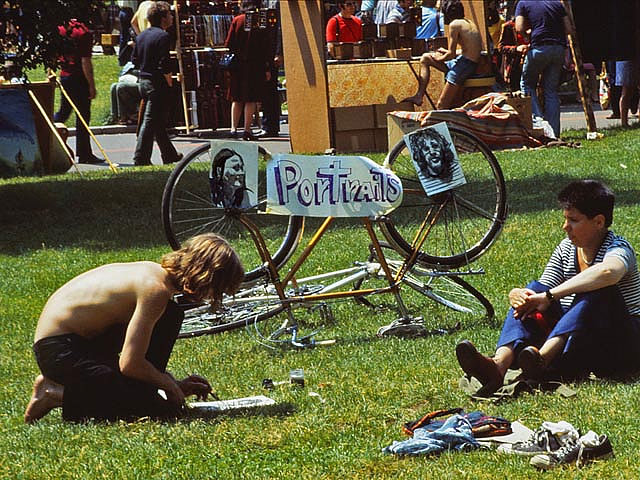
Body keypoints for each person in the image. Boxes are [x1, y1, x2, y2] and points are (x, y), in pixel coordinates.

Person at [24, 233, 245, 423]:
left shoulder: (156, 275)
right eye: (213, 291)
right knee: (152, 409)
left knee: (171, 316)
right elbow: (130, 364)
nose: (209, 298)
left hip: (78, 343)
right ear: (203, 277)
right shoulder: (155, 290)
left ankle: (134, 391)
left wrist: (172, 384)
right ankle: (54, 393)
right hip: (60, 351)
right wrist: (168, 385)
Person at [456, 180, 640, 393]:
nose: (565, 227)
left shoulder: (619, 248)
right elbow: (542, 292)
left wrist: (550, 295)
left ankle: (542, 360)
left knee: (600, 289)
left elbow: (608, 272)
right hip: (579, 340)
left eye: (573, 220)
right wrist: (519, 295)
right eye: (565, 219)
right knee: (532, 289)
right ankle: (498, 365)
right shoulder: (566, 248)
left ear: (599, 222)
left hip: (621, 345)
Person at [403, 0, 482, 109]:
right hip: (465, 61)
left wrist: (440, 58)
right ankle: (419, 95)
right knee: (425, 58)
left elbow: (451, 55)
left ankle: (442, 123)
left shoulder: (455, 25)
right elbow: (468, 50)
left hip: (464, 65)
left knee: (441, 105)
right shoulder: (468, 22)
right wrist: (445, 53)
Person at [132, 1, 182, 165]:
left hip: (143, 81)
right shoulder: (163, 36)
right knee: (149, 121)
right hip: (156, 83)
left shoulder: (142, 35)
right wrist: (169, 79)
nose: (171, 17)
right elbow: (165, 63)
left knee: (157, 121)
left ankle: (169, 154)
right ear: (162, 18)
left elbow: (134, 59)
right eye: (169, 14)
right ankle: (141, 158)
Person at [516, 0, 572, 138]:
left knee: (527, 84)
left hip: (539, 48)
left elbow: (519, 27)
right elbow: (569, 29)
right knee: (551, 90)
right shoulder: (557, 3)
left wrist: (528, 33)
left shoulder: (523, 3)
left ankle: (540, 126)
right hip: (558, 49)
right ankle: (554, 133)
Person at [53, 19, 103, 165]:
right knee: (83, 116)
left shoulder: (61, 27)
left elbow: (54, 53)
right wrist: (91, 85)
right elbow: (85, 61)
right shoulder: (83, 32)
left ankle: (48, 129)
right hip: (79, 78)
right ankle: (84, 153)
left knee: (64, 111)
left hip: (65, 75)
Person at [225, 1, 272, 141]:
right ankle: (247, 129)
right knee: (251, 99)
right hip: (255, 66)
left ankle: (233, 128)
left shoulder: (237, 20)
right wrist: (267, 68)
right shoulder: (259, 21)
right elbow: (265, 47)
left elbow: (229, 43)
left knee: (237, 97)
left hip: (238, 66)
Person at [260, 0, 282, 138]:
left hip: (272, 51)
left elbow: (279, 28)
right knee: (269, 90)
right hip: (267, 50)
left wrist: (279, 52)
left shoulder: (276, 3)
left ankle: (270, 125)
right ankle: (270, 125)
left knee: (269, 90)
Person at [497, 13, 528, 91]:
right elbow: (501, 48)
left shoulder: (532, 25)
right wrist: (516, 49)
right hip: (514, 66)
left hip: (530, 64)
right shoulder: (509, 26)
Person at [109, 61, 141, 125]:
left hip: (145, 82)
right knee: (114, 86)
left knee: (121, 87)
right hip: (134, 78)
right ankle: (115, 117)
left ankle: (127, 117)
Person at [615, 60, 639, 127]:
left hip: (625, 57)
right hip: (626, 57)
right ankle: (624, 123)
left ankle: (624, 123)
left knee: (626, 91)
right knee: (626, 90)